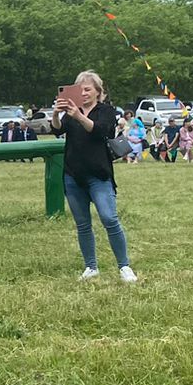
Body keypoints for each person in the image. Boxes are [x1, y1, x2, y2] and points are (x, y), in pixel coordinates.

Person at [52, 70, 137, 283]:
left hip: (98, 174)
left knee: (109, 218)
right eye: (80, 89)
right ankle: (91, 266)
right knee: (82, 224)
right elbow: (57, 130)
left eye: (88, 89)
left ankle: (124, 266)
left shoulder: (105, 111)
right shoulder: (72, 111)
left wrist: (79, 116)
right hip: (73, 174)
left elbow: (102, 131)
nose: (84, 93)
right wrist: (56, 114)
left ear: (98, 92)